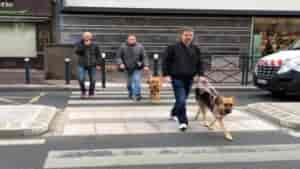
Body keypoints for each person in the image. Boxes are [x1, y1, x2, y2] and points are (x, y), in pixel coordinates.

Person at [162, 27, 207, 131]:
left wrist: (201, 75)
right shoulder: (172, 47)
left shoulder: (196, 49)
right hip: (177, 78)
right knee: (181, 100)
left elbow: (200, 63)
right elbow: (165, 62)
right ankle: (183, 121)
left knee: (181, 99)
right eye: (186, 35)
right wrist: (166, 75)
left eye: (190, 35)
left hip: (189, 78)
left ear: (193, 36)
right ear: (181, 36)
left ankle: (173, 112)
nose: (188, 37)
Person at [117, 34, 149, 101]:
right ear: (127, 40)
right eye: (130, 39)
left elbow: (144, 57)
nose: (132, 40)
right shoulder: (123, 46)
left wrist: (146, 65)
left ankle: (137, 95)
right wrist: (121, 63)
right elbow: (118, 57)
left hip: (137, 67)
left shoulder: (140, 46)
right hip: (127, 67)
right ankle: (131, 92)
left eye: (133, 39)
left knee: (137, 80)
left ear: (135, 40)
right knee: (129, 84)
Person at [74, 32, 103, 99]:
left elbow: (99, 55)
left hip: (92, 64)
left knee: (93, 80)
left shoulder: (95, 44)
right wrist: (84, 45)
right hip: (82, 64)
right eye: (85, 36)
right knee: (81, 79)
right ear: (83, 37)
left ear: (91, 37)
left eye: (88, 36)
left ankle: (91, 92)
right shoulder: (79, 43)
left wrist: (98, 64)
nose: (87, 37)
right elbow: (77, 51)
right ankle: (83, 91)